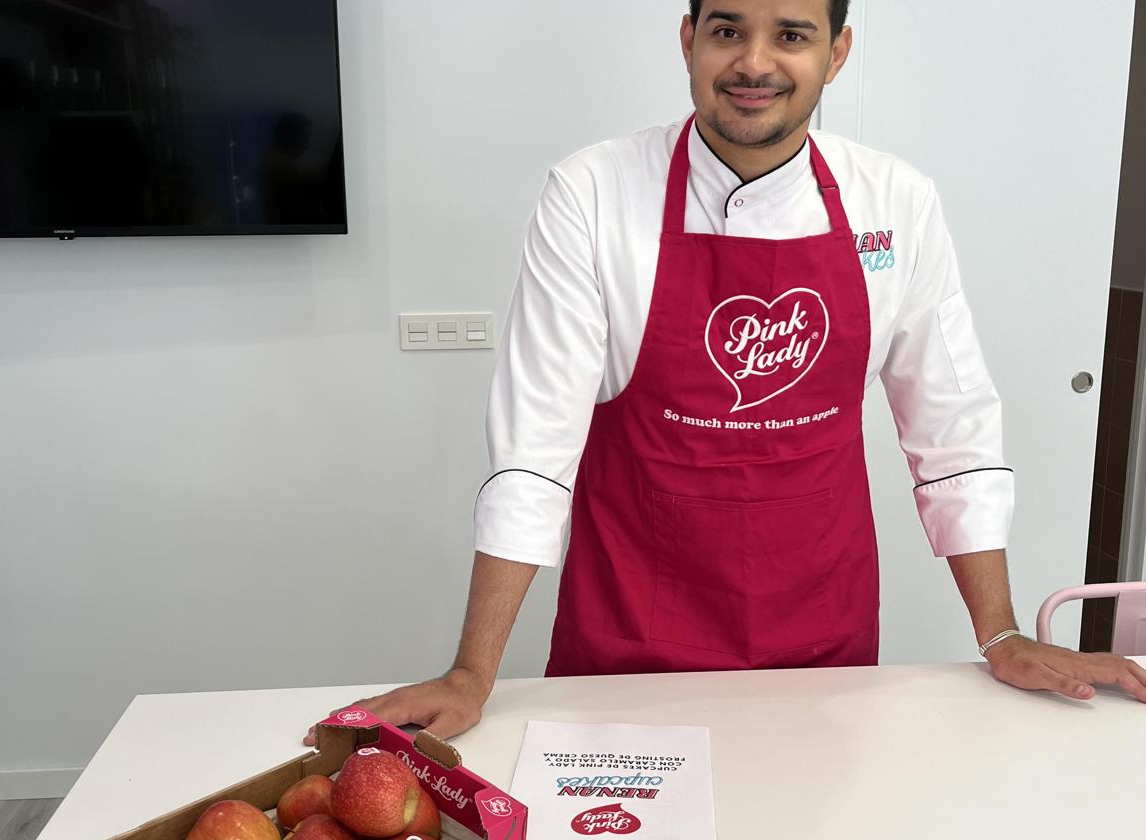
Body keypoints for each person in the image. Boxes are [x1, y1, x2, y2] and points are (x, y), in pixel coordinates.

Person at [306, 0, 1146, 745]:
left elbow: (951, 427)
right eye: (726, 30)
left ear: (837, 52)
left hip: (821, 633)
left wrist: (999, 633)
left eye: (791, 35)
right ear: (688, 40)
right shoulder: (594, 191)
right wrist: (471, 672)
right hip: (630, 628)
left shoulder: (895, 201)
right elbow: (535, 450)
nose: (753, 62)